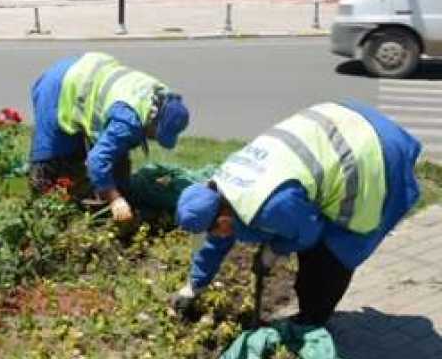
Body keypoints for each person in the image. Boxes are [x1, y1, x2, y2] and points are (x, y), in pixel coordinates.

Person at [171, 101, 422, 325]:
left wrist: (274, 250)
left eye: (214, 230)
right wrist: (193, 287)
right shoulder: (222, 189)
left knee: (330, 255)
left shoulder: (271, 205)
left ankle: (311, 322)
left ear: (222, 218)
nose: (217, 235)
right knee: (309, 235)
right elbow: (215, 243)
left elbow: (309, 233)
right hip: (344, 117)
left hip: (370, 152)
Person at [29, 52, 190, 222]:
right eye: (157, 135)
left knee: (112, 165)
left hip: (89, 75)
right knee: (49, 168)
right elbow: (97, 161)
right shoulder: (128, 121)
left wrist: (118, 189)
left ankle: (87, 200)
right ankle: (43, 220)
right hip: (60, 87)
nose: (154, 139)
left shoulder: (163, 97)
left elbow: (115, 153)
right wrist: (115, 200)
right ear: (154, 121)